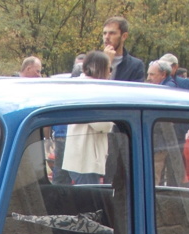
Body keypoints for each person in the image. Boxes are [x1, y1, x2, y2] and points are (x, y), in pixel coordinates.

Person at [61, 51, 114, 184]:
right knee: (88, 201)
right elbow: (103, 124)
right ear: (100, 68)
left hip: (81, 155)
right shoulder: (91, 90)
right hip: (86, 158)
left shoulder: (79, 86)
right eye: (109, 68)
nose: (110, 73)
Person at [101, 16, 145, 82]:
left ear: (124, 36)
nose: (106, 37)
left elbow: (135, 91)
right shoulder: (92, 62)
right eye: (104, 33)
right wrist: (105, 63)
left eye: (112, 33)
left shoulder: (135, 66)